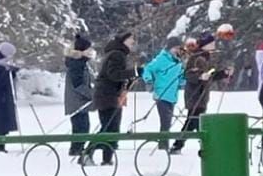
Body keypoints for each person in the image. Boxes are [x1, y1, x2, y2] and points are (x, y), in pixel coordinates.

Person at [171, 32, 232, 155]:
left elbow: (210, 75)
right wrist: (200, 77)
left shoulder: (206, 57)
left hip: (202, 96)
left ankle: (180, 145)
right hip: (195, 96)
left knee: (194, 122)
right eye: (212, 43)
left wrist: (223, 73)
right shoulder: (196, 57)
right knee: (195, 121)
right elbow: (188, 74)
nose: (214, 45)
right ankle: (204, 145)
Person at [92, 32, 141, 165]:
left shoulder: (116, 54)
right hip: (108, 96)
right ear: (123, 41)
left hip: (107, 95)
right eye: (131, 39)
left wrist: (131, 78)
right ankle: (90, 153)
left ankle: (106, 158)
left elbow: (117, 76)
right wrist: (135, 72)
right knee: (109, 128)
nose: (133, 42)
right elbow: (113, 75)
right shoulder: (117, 54)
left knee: (110, 128)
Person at [143, 37, 186, 151]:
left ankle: (163, 144)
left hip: (172, 96)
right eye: (175, 48)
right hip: (161, 95)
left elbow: (180, 78)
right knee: (165, 121)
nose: (177, 50)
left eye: (178, 48)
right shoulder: (161, 59)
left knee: (167, 121)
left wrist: (187, 80)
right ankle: (163, 146)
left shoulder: (178, 61)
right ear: (169, 48)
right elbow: (148, 69)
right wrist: (149, 80)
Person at [64, 34, 96, 163]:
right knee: (81, 128)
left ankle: (77, 150)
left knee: (82, 127)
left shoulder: (80, 63)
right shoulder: (77, 64)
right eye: (88, 49)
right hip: (78, 103)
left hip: (80, 102)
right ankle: (76, 151)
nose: (91, 51)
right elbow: (78, 85)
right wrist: (92, 94)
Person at [0, 42, 20, 153]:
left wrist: (12, 73)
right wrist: (8, 72)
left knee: (3, 122)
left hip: (4, 98)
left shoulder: (3, 65)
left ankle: (1, 145)